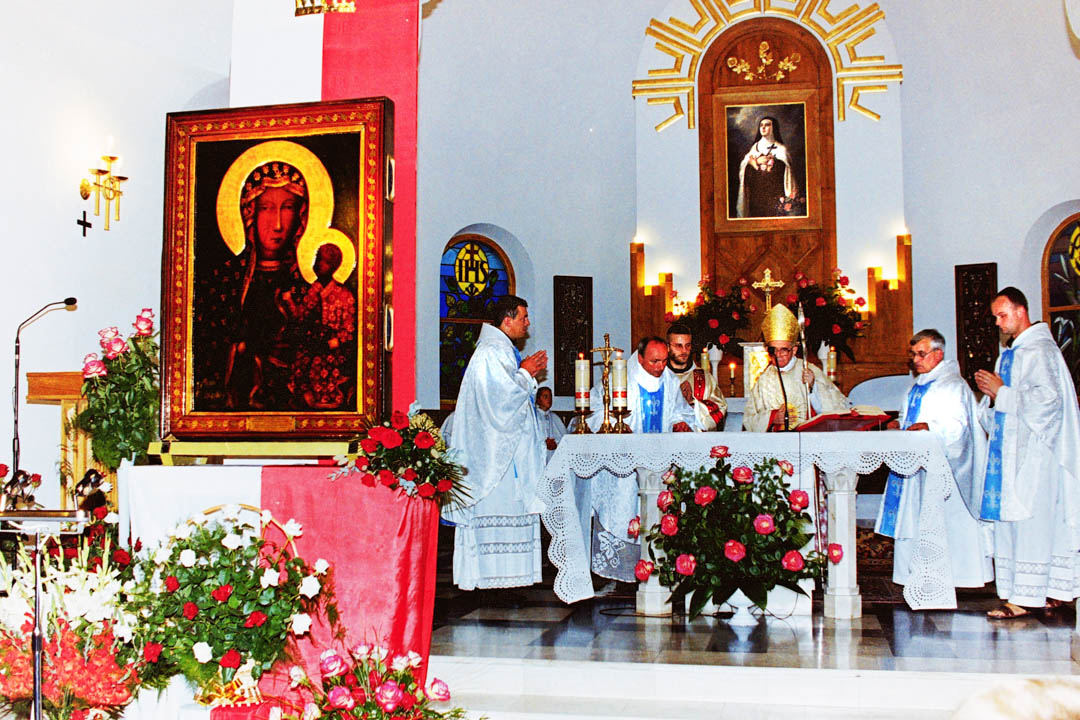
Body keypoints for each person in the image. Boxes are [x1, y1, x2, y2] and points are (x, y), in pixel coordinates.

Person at [974, 287, 1080, 619]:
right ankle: (1037, 592)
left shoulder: (1039, 350)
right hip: (1008, 454)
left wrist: (1002, 393)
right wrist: (990, 401)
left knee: (1032, 524)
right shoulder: (1011, 353)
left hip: (1035, 455)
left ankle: (1027, 597)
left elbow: (1048, 402)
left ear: (1021, 312)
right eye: (995, 316)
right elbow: (1000, 407)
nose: (997, 322)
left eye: (1002, 315)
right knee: (1013, 523)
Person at [442, 295, 549, 593]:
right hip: (495, 457)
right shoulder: (491, 351)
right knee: (500, 509)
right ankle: (493, 584)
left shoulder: (502, 349)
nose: (527, 323)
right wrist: (525, 373)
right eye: (523, 317)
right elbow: (500, 401)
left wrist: (524, 373)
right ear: (507, 320)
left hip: (510, 452)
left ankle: (511, 582)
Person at [875, 329, 993, 589]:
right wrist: (899, 424)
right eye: (913, 354)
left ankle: (960, 576)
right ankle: (913, 575)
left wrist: (931, 428)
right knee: (914, 519)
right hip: (916, 466)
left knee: (947, 523)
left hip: (948, 471)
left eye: (921, 354)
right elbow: (910, 418)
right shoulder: (917, 386)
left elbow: (958, 427)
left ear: (938, 354)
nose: (915, 360)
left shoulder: (953, 385)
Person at [584, 336, 696, 586]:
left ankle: (658, 567)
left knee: (658, 512)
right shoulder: (620, 377)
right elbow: (597, 411)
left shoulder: (669, 380)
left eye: (664, 361)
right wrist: (617, 426)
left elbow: (679, 411)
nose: (660, 367)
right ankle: (620, 572)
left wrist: (680, 423)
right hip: (625, 464)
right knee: (623, 510)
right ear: (641, 357)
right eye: (654, 361)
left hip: (660, 461)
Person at [743, 303, 848, 432]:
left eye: (783, 350)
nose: (777, 354)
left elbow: (838, 409)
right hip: (775, 440)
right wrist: (771, 418)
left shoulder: (809, 370)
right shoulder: (764, 379)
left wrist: (813, 388)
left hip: (808, 438)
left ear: (794, 350)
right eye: (772, 350)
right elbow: (749, 419)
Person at [286, 242, 357, 409]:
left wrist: (331, 343)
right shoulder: (313, 290)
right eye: (317, 259)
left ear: (333, 266)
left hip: (332, 351)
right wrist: (288, 301)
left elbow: (349, 330)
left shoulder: (344, 295)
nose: (318, 264)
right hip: (309, 345)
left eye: (323, 261)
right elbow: (300, 317)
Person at [666, 321, 727, 431]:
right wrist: (674, 423)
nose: (684, 351)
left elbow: (720, 407)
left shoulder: (705, 377)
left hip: (697, 439)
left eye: (687, 345)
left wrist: (693, 403)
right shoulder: (659, 377)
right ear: (668, 347)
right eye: (678, 346)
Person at [735, 116, 799, 218]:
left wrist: (771, 163)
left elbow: (785, 171)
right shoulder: (754, 148)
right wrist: (755, 162)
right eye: (761, 125)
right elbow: (744, 167)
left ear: (774, 128)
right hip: (756, 195)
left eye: (767, 125)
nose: (763, 127)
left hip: (775, 194)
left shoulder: (781, 149)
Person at [535, 386, 566, 460]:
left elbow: (564, 437)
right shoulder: (533, 416)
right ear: (538, 400)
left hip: (554, 456)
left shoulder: (554, 417)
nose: (549, 399)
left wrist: (556, 443)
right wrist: (544, 443)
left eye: (550, 397)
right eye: (545, 396)